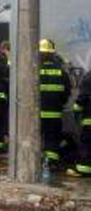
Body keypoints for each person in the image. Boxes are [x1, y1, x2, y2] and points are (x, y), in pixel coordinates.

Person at [39, 39, 71, 170]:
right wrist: (59, 103)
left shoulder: (35, 70)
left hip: (37, 113)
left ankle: (36, 160)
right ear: (52, 54)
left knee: (36, 136)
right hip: (54, 112)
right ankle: (51, 163)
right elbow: (67, 91)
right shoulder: (61, 72)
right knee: (52, 138)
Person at [67, 70, 91, 177]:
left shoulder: (89, 77)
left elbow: (83, 97)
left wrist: (76, 107)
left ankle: (83, 169)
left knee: (87, 143)